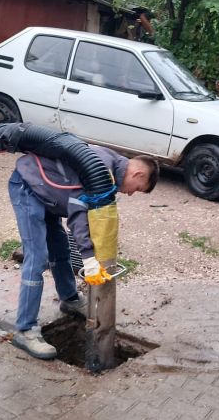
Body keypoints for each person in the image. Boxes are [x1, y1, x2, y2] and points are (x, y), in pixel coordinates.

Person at [8, 145, 159, 359]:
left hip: (49, 195)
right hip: (29, 187)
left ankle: (69, 299)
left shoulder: (111, 172)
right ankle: (25, 330)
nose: (132, 193)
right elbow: (78, 215)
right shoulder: (99, 168)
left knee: (60, 247)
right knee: (37, 256)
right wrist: (88, 258)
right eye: (138, 188)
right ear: (138, 174)